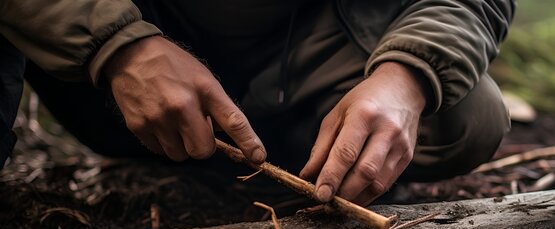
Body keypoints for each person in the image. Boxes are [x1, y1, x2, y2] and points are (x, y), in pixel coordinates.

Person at [0, 0, 515, 205]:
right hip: (108, 66)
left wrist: (408, 74)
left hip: (300, 49)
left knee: (466, 117)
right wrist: (116, 44)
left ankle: (262, 172)